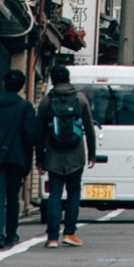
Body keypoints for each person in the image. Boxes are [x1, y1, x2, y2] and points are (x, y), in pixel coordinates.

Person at [35, 63, 99, 248]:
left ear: (53, 80)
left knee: (54, 195)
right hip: (75, 155)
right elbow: (89, 127)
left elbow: (39, 132)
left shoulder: (46, 101)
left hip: (53, 155)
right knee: (73, 193)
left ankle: (52, 237)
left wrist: (40, 159)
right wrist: (92, 154)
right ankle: (70, 233)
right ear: (68, 79)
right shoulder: (80, 99)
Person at [0, 69, 38, 248]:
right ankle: (11, 234)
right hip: (16, 157)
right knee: (13, 196)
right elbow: (29, 134)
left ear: (3, 83)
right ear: (22, 86)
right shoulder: (25, 107)